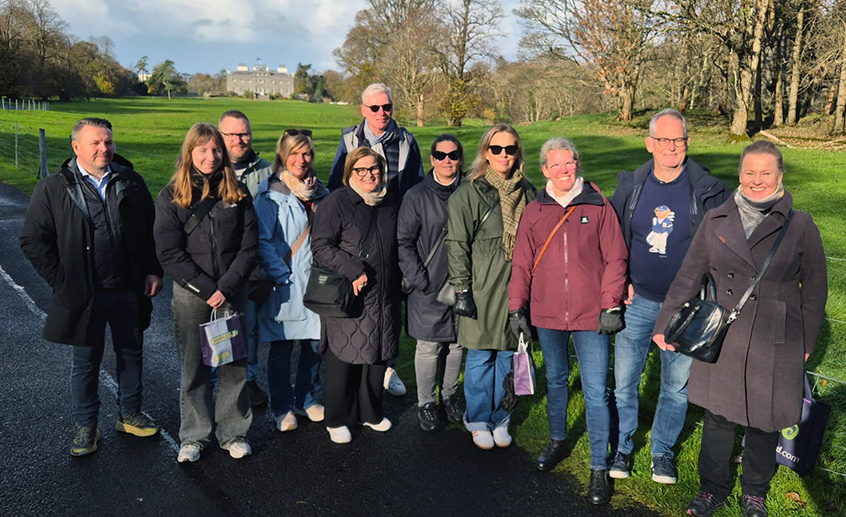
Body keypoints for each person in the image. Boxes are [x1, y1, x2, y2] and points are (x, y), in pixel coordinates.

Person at [653, 142, 827, 517]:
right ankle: (712, 490)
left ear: (780, 176)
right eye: (750, 172)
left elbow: (815, 289)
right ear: (739, 175)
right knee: (718, 417)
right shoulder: (716, 219)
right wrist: (666, 323)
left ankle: (754, 493)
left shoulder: (801, 225)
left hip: (776, 337)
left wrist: (806, 342)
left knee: (764, 420)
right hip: (723, 334)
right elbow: (689, 274)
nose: (757, 180)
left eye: (766, 173)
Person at [20, 117, 163, 456]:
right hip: (85, 294)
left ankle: (129, 414)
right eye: (96, 143)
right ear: (76, 147)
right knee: (86, 362)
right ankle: (86, 426)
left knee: (131, 354)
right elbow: (32, 241)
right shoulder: (53, 188)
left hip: (127, 288)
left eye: (108, 142)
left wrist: (153, 270)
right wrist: (62, 282)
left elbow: (150, 231)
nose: (104, 149)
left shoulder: (130, 180)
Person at [609, 109, 730, 483]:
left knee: (675, 387)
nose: (671, 147)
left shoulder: (709, 190)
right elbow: (613, 239)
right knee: (626, 382)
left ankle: (662, 451)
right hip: (638, 300)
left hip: (686, 308)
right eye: (663, 140)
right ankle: (624, 446)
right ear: (650, 144)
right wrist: (621, 279)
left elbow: (724, 246)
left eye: (677, 140)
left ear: (688, 143)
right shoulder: (632, 187)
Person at [508, 138, 627, 503]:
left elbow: (616, 259)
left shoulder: (598, 205)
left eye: (569, 162)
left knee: (594, 391)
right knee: (556, 380)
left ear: (577, 163)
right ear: (544, 170)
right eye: (555, 165)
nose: (564, 170)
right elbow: (522, 264)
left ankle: (597, 467)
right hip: (546, 312)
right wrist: (517, 307)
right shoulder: (535, 210)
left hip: (591, 315)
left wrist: (610, 306)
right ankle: (558, 440)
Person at [154, 123, 257, 463]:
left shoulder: (238, 192)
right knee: (194, 366)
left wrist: (226, 287)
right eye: (202, 150)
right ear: (190, 153)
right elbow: (169, 253)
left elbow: (249, 245)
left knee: (232, 365)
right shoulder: (171, 196)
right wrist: (207, 288)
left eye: (215, 150)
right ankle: (195, 436)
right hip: (191, 295)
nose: (210, 157)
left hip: (231, 292)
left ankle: (234, 433)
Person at [328, 83, 424, 397]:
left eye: (387, 107)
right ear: (363, 110)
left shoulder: (407, 140)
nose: (382, 113)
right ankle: (356, 365)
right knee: (358, 305)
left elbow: (416, 189)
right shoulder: (348, 139)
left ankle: (387, 366)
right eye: (375, 108)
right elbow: (335, 187)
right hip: (355, 237)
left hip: (392, 233)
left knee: (390, 304)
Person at [446, 124, 536, 450]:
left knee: (508, 356)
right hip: (482, 287)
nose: (503, 155)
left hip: (517, 287)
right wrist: (462, 289)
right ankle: (478, 418)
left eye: (510, 149)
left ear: (517, 153)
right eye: (496, 149)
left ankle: (500, 417)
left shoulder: (528, 190)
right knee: (482, 355)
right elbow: (457, 244)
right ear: (486, 152)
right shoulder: (470, 192)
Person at [312, 147, 400, 444]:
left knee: (376, 355)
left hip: (384, 293)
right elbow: (321, 246)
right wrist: (353, 269)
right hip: (350, 292)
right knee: (344, 356)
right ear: (350, 172)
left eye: (374, 168)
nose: (369, 175)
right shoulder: (336, 203)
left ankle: (371, 412)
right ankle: (337, 417)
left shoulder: (388, 201)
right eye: (360, 170)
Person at [253, 130, 327, 432]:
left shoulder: (321, 191)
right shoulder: (270, 193)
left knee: (313, 345)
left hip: (317, 284)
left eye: (307, 153)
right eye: (294, 153)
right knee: (282, 349)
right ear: (282, 155)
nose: (301, 159)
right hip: (284, 284)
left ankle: (307, 399)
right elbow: (262, 240)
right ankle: (282, 406)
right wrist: (282, 274)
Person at [397, 134, 465, 431]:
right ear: (432, 159)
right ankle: (426, 402)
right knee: (429, 346)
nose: (446, 160)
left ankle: (449, 396)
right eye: (440, 155)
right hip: (428, 284)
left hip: (464, 285)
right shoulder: (416, 195)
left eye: (452, 155)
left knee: (458, 343)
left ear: (460, 158)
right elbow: (403, 242)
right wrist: (420, 281)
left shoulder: (471, 191)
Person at [219, 110, 273, 407]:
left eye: (245, 134)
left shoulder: (266, 171)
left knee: (248, 327)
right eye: (233, 134)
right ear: (221, 136)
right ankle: (216, 382)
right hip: (216, 266)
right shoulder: (209, 167)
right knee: (216, 328)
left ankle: (248, 380)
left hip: (252, 265)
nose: (240, 140)